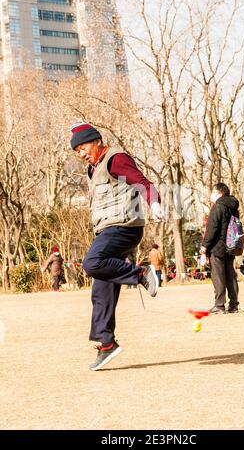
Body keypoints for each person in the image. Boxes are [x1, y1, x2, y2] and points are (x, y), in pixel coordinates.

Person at [70, 122, 163, 370]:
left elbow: (141, 181)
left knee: (92, 263)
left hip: (123, 227)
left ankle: (141, 274)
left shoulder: (115, 159)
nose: (81, 153)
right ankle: (106, 343)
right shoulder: (95, 169)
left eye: (84, 147)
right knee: (101, 288)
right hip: (108, 230)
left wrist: (154, 202)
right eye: (77, 151)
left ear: (98, 141)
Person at [200, 183, 240, 314]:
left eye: (213, 192)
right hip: (231, 245)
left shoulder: (218, 206)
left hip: (217, 247)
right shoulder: (233, 207)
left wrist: (204, 246)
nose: (212, 194)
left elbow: (212, 229)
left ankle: (219, 305)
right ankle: (233, 305)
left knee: (218, 276)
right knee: (230, 276)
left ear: (219, 192)